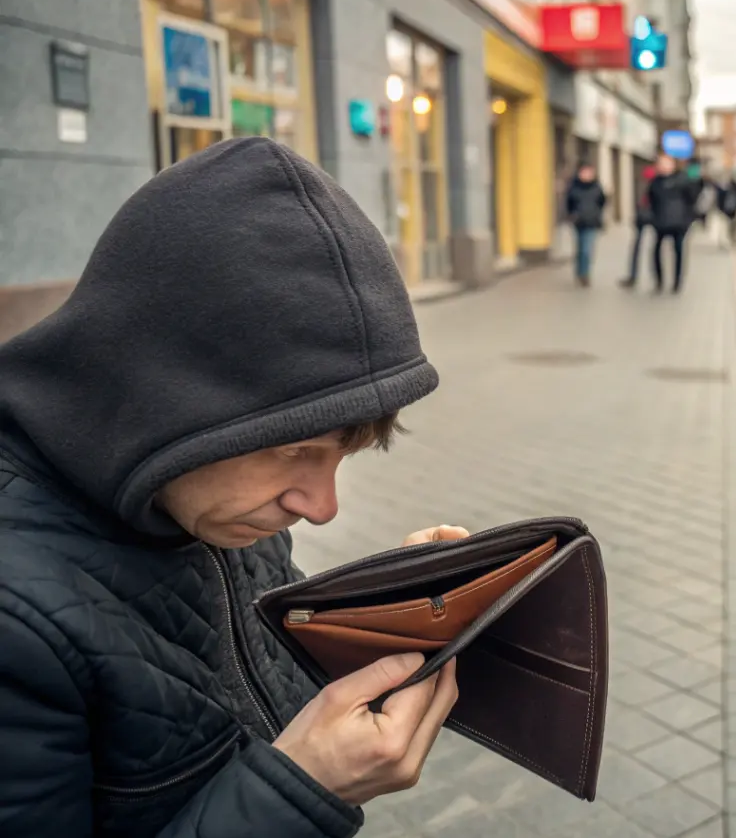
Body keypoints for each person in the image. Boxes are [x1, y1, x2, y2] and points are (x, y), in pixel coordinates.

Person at [0, 137, 469, 837]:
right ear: (164, 399)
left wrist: (379, 626)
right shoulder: (18, 623)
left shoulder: (205, 500)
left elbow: (256, 676)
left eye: (342, 454)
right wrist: (299, 795)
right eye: (294, 450)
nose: (319, 507)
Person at [647, 152, 698, 293]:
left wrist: (688, 219)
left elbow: (691, 199)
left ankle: (677, 282)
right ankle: (659, 281)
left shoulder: (683, 180)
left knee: (679, 251)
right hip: (660, 221)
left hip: (679, 222)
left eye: (666, 163)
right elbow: (651, 200)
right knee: (656, 251)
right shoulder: (655, 182)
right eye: (661, 163)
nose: (663, 166)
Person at [565, 161, 607, 287]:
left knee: (587, 249)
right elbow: (569, 203)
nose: (587, 175)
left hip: (592, 222)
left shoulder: (597, 187)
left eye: (589, 172)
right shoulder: (574, 187)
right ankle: (579, 271)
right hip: (578, 222)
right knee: (580, 248)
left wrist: (597, 215)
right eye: (584, 172)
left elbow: (602, 202)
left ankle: (584, 273)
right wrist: (572, 215)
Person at [619, 166, 656, 289]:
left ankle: (637, 276)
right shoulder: (647, 181)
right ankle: (635, 276)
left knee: (649, 248)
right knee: (639, 247)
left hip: (653, 217)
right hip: (645, 216)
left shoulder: (651, 181)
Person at [718, 173, 736, 247]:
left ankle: (730, 241)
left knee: (730, 227)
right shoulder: (730, 189)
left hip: (729, 211)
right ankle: (729, 241)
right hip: (729, 211)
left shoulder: (729, 189)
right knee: (729, 227)